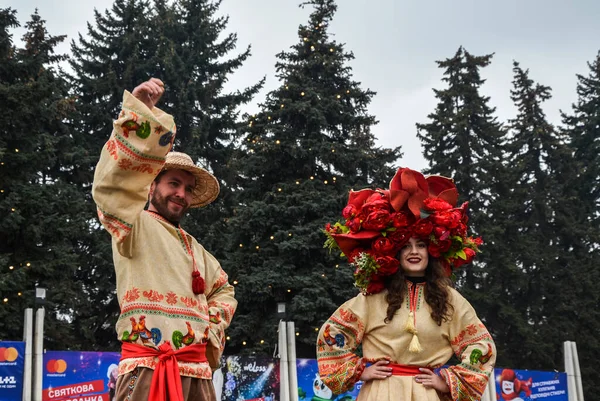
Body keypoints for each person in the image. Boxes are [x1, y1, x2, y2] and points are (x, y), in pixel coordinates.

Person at [92, 78, 237, 401]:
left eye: (187, 189)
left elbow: (224, 290)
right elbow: (112, 189)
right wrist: (141, 115)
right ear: (152, 186)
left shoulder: (195, 247)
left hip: (196, 375)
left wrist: (208, 329)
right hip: (148, 369)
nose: (180, 194)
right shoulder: (133, 224)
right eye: (173, 183)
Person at [317, 167, 496, 400]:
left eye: (420, 245)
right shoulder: (373, 296)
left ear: (431, 250)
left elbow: (481, 346)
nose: (414, 252)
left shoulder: (451, 300)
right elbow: (331, 335)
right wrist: (361, 371)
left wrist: (445, 382)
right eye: (405, 246)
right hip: (380, 392)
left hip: (426, 393)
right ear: (395, 252)